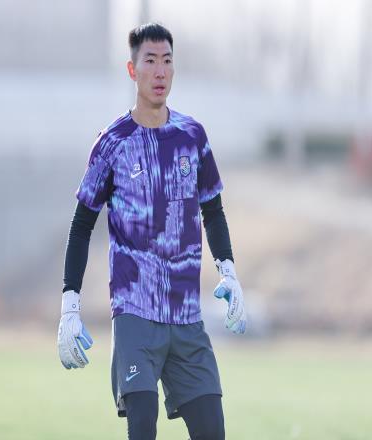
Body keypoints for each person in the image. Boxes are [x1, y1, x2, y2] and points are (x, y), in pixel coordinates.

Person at [57, 23, 246, 440]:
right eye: (150, 61)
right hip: (135, 314)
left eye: (167, 61)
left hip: (186, 316)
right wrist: (70, 304)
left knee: (213, 431)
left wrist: (229, 272)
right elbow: (82, 225)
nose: (160, 71)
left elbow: (213, 211)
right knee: (142, 426)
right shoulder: (113, 143)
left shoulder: (192, 137)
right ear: (132, 70)